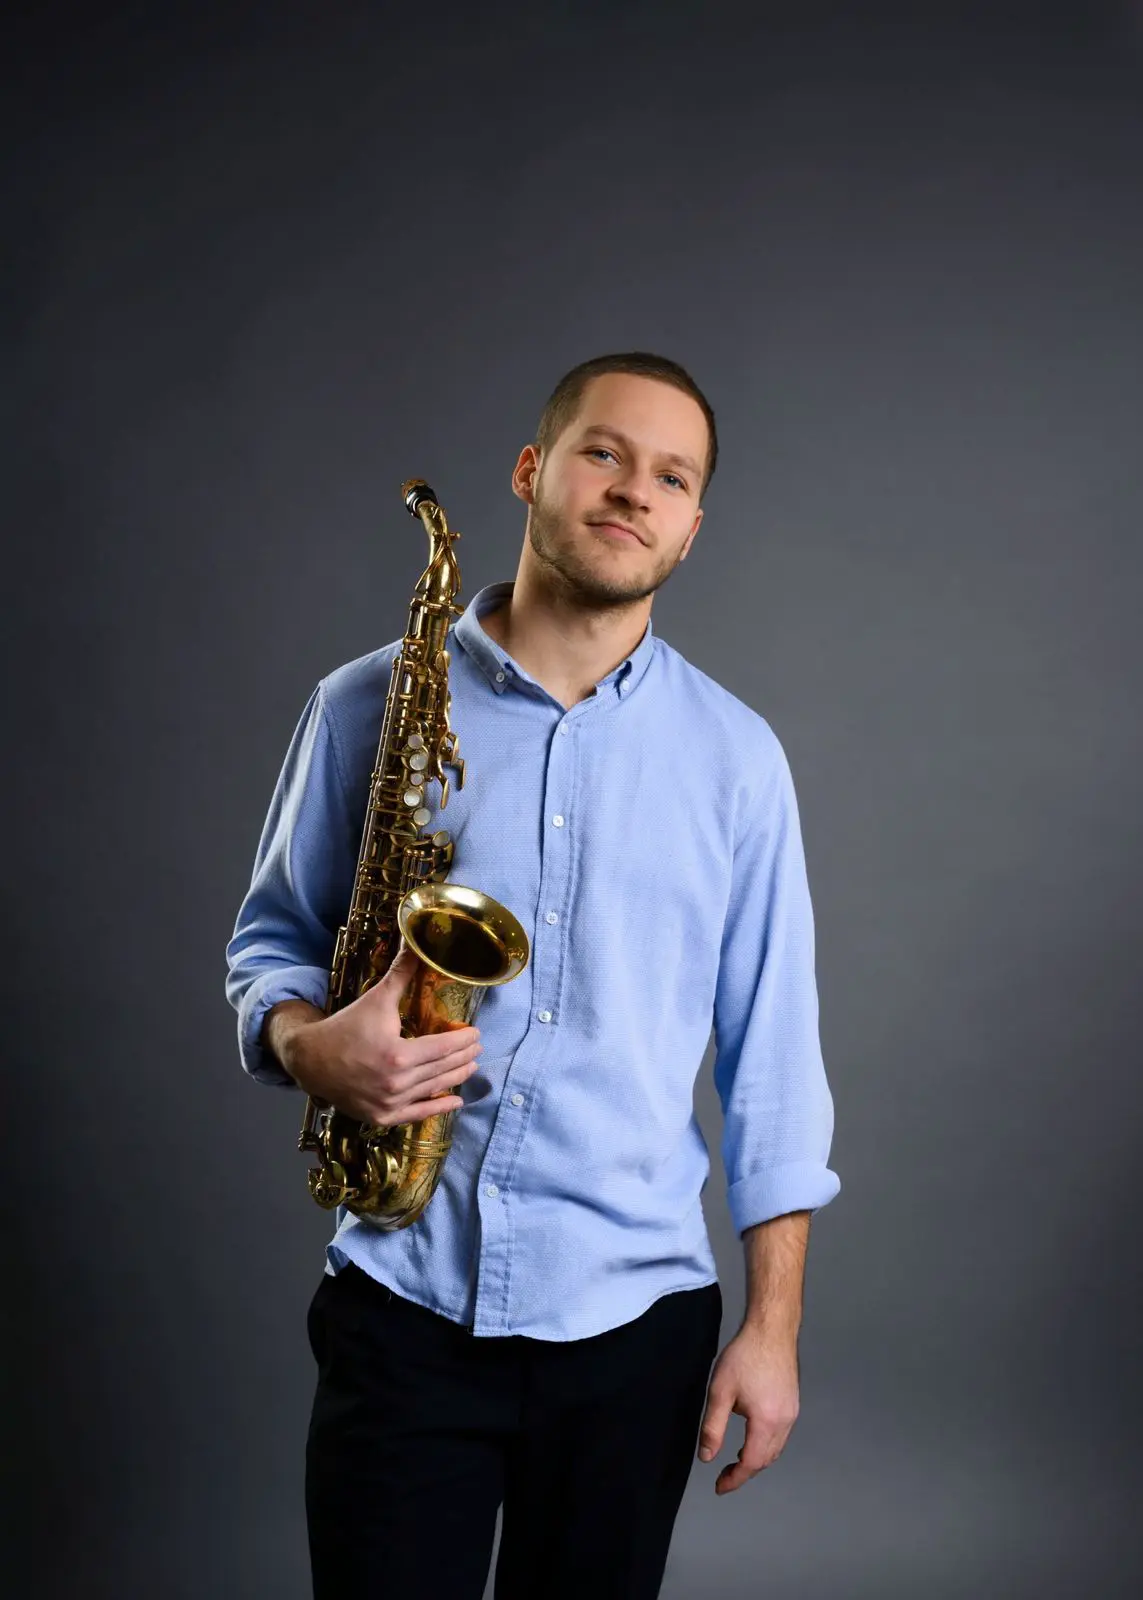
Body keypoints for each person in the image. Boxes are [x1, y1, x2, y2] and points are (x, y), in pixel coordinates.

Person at [224, 351, 840, 1600]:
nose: (634, 491)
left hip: (635, 1328)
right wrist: (307, 1042)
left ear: (692, 525)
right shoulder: (364, 705)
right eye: (604, 452)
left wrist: (772, 1331)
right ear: (531, 469)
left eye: (672, 477)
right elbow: (271, 944)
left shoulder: (737, 759)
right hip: (403, 1298)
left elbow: (773, 1065)